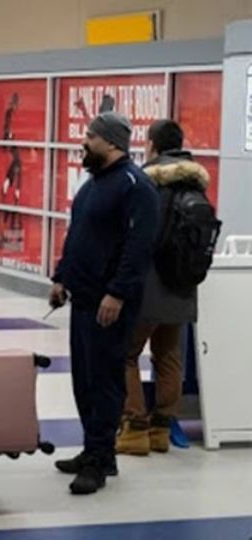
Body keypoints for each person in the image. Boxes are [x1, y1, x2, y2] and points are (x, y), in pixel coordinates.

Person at [50, 112, 159, 495]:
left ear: (111, 142)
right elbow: (78, 235)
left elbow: (138, 248)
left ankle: (98, 460)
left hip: (109, 303)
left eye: (91, 136)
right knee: (84, 380)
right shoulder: (93, 184)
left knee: (105, 382)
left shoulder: (136, 186)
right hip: (83, 298)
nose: (84, 142)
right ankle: (96, 450)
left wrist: (118, 293)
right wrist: (61, 277)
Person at [115, 120, 211, 456]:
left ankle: (134, 429)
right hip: (183, 287)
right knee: (169, 357)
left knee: (125, 354)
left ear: (152, 144)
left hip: (148, 285)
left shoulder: (147, 183)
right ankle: (160, 430)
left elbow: (137, 237)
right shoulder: (197, 186)